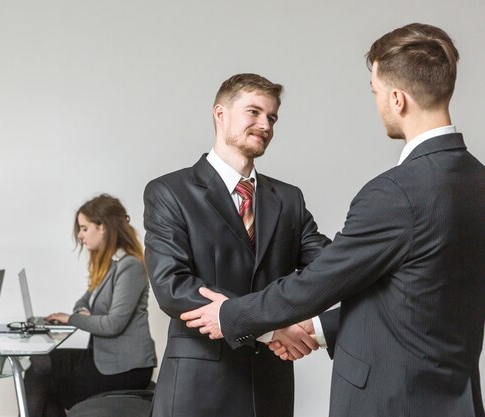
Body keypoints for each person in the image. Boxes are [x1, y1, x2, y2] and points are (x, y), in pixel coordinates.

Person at [182, 23, 485, 417]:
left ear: (397, 99)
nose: (377, 102)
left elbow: (319, 281)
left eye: (375, 92)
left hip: (391, 401)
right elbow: (418, 293)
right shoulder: (478, 182)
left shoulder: (394, 193)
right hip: (456, 399)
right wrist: (320, 329)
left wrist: (231, 315)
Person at [143, 73, 331, 417]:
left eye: (272, 117)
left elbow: (329, 267)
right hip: (198, 387)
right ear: (221, 114)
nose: (265, 125)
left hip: (269, 385)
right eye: (254, 112)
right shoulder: (169, 192)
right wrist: (272, 327)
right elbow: (173, 287)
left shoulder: (288, 198)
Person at [24, 194, 157, 416]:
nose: (80, 235)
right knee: (41, 365)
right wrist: (82, 312)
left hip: (126, 368)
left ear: (102, 227)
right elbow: (83, 301)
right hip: (105, 358)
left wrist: (72, 318)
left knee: (43, 372)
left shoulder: (130, 266)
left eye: (84, 228)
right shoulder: (107, 266)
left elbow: (113, 324)